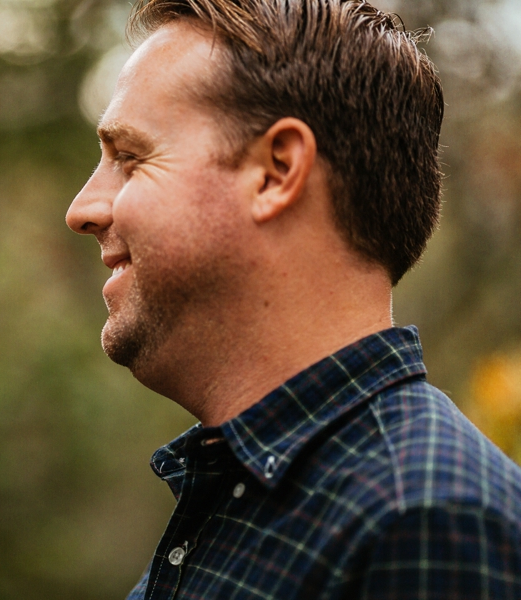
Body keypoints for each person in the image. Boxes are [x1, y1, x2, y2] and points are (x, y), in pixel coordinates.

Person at [66, 0, 521, 598]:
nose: (82, 210)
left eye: (130, 158)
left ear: (277, 171)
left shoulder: (428, 521)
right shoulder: (236, 498)